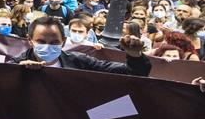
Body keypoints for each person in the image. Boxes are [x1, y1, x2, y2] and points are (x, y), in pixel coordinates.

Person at [12, 16, 151, 75]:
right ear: (30, 40)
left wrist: (135, 55)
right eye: (41, 42)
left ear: (64, 41)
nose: (48, 46)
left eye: (54, 42)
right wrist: (17, 72)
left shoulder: (80, 62)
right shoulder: (17, 63)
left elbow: (133, 73)